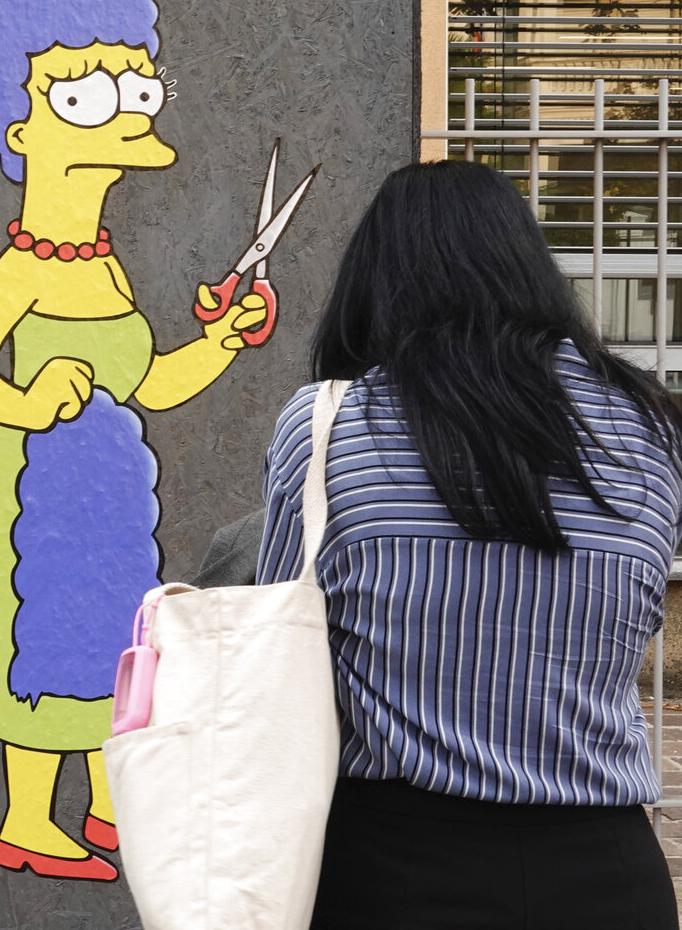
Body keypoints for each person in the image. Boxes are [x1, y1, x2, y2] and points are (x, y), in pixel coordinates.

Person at [257, 160, 682, 929]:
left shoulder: (325, 426)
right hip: (608, 874)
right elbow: (638, 615)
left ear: (376, 282)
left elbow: (283, 650)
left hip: (392, 869)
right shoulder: (651, 428)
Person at [0, 0, 267, 881]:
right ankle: (30, 822)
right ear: (23, 133)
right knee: (43, 638)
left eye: (136, 87)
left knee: (116, 637)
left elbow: (148, 385)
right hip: (35, 488)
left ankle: (115, 805)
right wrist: (30, 401)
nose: (126, 110)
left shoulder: (103, 263)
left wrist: (220, 344)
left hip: (110, 490)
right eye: (86, 95)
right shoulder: (25, 268)